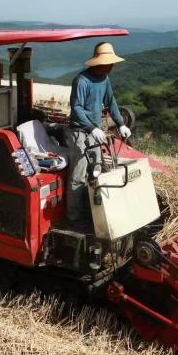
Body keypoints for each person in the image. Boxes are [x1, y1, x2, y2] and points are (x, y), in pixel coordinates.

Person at [65, 42, 131, 222]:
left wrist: (120, 124)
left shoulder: (105, 79)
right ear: (98, 63)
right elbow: (76, 108)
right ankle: (74, 217)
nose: (111, 67)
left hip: (95, 132)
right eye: (108, 64)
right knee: (78, 175)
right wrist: (92, 128)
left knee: (96, 172)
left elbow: (111, 102)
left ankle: (92, 212)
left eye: (111, 64)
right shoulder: (82, 80)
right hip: (80, 132)